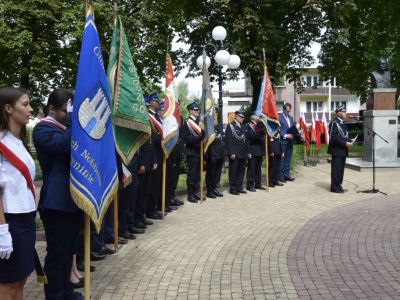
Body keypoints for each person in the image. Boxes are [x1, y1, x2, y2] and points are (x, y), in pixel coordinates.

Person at [33, 89, 84, 300]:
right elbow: (65, 148)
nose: (69, 114)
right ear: (51, 109)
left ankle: (67, 293)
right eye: (65, 111)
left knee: (68, 253)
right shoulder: (43, 129)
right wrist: (73, 120)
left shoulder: (65, 127)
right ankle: (55, 296)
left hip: (72, 199)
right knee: (56, 256)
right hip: (56, 202)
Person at [0, 87, 36, 299]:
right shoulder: (2, 144)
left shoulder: (18, 142)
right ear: (8, 108)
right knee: (7, 284)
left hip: (26, 218)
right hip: (9, 221)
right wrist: (2, 231)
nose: (30, 109)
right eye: (25, 104)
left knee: (21, 279)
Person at [181, 102, 204, 203]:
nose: (197, 111)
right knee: (192, 174)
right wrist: (197, 138)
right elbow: (185, 138)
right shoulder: (187, 123)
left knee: (198, 174)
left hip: (199, 151)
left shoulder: (199, 122)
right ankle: (190, 195)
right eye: (195, 110)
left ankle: (196, 192)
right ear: (190, 111)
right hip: (192, 152)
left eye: (198, 110)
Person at [328, 104, 353, 193]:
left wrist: (350, 140)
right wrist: (345, 143)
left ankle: (339, 185)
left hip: (343, 150)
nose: (345, 113)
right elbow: (333, 138)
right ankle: (334, 188)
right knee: (336, 170)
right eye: (343, 112)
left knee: (341, 170)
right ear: (339, 113)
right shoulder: (334, 123)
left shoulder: (342, 123)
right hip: (336, 150)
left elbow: (345, 135)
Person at [225, 110, 249, 195]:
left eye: (243, 117)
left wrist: (247, 152)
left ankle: (239, 187)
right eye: (241, 117)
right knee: (233, 171)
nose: (242, 118)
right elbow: (228, 141)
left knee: (241, 171)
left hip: (243, 153)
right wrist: (231, 153)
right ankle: (233, 188)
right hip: (235, 153)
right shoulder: (230, 126)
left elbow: (246, 141)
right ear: (236, 116)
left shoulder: (243, 127)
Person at [245, 114, 266, 191]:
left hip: (260, 150)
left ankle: (258, 183)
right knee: (251, 168)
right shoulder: (248, 125)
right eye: (257, 116)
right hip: (252, 150)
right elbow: (248, 138)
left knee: (258, 169)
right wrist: (248, 152)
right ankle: (250, 185)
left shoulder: (260, 126)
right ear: (252, 117)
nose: (258, 117)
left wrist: (263, 151)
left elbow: (263, 138)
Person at [205, 124, 226, 198]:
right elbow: (207, 142)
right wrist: (210, 154)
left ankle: (214, 189)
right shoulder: (207, 125)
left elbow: (223, 140)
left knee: (217, 174)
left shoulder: (219, 127)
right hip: (212, 154)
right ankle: (209, 191)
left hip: (220, 154)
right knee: (211, 174)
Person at [279, 103, 295, 182]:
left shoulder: (291, 118)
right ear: (284, 110)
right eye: (287, 111)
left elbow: (292, 129)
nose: (288, 113)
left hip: (290, 142)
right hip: (283, 141)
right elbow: (278, 130)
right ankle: (281, 176)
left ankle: (286, 174)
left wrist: (297, 133)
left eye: (289, 111)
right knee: (282, 159)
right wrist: (285, 135)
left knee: (288, 159)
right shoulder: (279, 116)